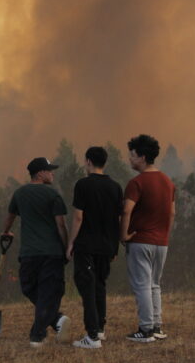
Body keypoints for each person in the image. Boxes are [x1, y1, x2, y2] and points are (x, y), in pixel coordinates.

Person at [3, 157, 71, 348]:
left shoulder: (19, 193)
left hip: (29, 253)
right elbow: (61, 224)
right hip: (51, 252)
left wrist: (7, 231)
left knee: (29, 288)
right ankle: (55, 321)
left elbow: (10, 216)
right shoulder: (53, 195)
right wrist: (66, 247)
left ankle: (38, 333)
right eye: (49, 170)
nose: (52, 173)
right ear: (40, 173)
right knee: (48, 293)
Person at [66, 147, 123, 349]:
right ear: (104, 163)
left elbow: (78, 216)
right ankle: (99, 329)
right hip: (106, 246)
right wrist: (114, 247)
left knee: (87, 288)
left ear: (88, 161)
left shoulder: (83, 184)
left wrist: (71, 242)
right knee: (100, 285)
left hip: (86, 246)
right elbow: (118, 219)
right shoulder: (116, 187)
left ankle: (91, 337)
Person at [120, 134, 176, 343]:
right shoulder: (168, 182)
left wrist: (123, 234)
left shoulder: (136, 183)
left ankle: (145, 330)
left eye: (132, 155)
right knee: (154, 284)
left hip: (140, 240)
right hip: (161, 242)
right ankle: (157, 326)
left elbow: (126, 210)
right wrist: (164, 235)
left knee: (142, 285)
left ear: (142, 157)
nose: (130, 159)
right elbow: (172, 213)